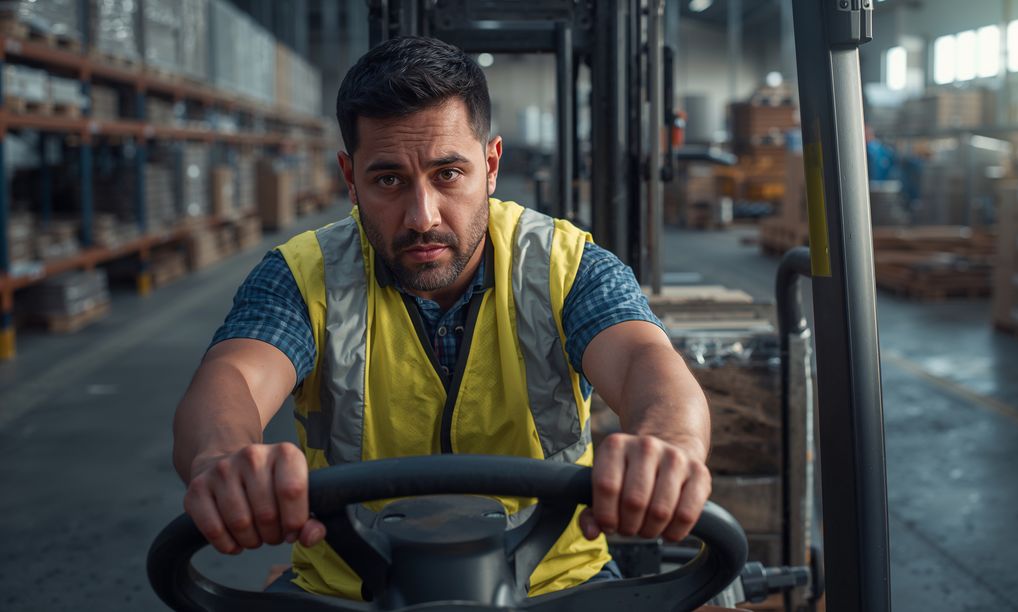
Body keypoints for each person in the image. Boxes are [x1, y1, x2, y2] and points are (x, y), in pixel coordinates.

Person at [172, 35, 711, 601]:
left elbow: (646, 362)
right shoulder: (302, 276)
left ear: (491, 165)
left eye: (448, 174)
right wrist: (223, 458)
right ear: (349, 179)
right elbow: (232, 377)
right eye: (388, 180)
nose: (421, 216)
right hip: (354, 591)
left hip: (553, 585)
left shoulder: (565, 266)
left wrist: (667, 443)